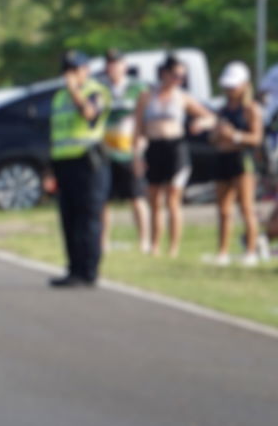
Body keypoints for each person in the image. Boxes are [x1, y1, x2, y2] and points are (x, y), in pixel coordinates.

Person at [132, 55, 215, 259]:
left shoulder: (182, 97)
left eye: (182, 77)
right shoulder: (146, 96)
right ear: (164, 74)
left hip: (176, 148)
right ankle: (155, 245)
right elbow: (138, 128)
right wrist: (136, 155)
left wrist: (200, 124)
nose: (179, 80)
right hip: (154, 147)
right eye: (176, 75)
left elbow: (210, 117)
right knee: (154, 200)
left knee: (173, 199)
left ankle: (173, 248)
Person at [48, 49, 111, 287]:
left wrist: (75, 89)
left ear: (86, 70)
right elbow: (55, 134)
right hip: (64, 163)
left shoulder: (95, 91)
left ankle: (89, 271)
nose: (70, 76)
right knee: (69, 219)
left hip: (89, 163)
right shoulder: (59, 97)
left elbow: (89, 113)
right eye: (67, 71)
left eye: (75, 70)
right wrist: (49, 170)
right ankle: (73, 270)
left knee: (88, 219)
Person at [206, 61, 265, 265]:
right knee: (223, 208)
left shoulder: (250, 109)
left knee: (246, 207)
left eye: (233, 85)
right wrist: (217, 135)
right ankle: (222, 252)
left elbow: (257, 138)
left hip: (243, 160)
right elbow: (213, 137)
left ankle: (250, 251)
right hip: (223, 158)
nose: (230, 90)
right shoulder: (222, 109)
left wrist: (235, 136)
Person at [98, 49, 149, 253]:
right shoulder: (101, 88)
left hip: (130, 150)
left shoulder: (137, 88)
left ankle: (144, 240)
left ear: (124, 66)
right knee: (104, 199)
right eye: (109, 64)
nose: (113, 68)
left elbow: (144, 117)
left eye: (116, 63)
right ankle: (103, 241)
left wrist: (141, 145)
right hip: (106, 151)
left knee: (136, 197)